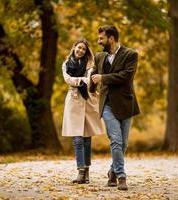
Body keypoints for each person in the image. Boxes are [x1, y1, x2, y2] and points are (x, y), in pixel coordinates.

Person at [90, 25, 140, 190]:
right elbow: (93, 76)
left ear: (111, 38)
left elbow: (126, 76)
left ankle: (112, 172)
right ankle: (121, 176)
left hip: (126, 104)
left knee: (123, 143)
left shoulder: (130, 54)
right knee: (116, 140)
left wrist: (103, 77)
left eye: (101, 38)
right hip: (106, 105)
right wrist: (89, 90)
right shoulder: (99, 57)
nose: (99, 41)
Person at [62, 38, 105, 184]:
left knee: (87, 139)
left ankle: (86, 171)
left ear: (86, 52)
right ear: (74, 47)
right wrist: (81, 80)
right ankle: (80, 170)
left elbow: (90, 80)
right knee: (77, 139)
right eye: (79, 48)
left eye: (83, 49)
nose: (80, 51)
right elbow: (68, 79)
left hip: (88, 102)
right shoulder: (66, 64)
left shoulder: (90, 65)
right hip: (73, 102)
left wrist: (79, 80)